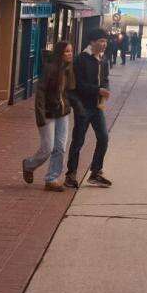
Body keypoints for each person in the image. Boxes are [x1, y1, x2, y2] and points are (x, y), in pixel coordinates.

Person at [22, 41, 76, 190]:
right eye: (66, 51)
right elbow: (40, 93)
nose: (70, 54)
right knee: (47, 147)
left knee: (60, 148)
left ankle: (51, 178)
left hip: (63, 113)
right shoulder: (50, 69)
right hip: (48, 113)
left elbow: (70, 90)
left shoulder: (69, 69)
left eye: (71, 51)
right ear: (60, 53)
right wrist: (40, 115)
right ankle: (29, 164)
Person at [64, 29, 112, 189]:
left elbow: (105, 79)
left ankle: (96, 172)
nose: (104, 44)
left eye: (105, 41)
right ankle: (70, 175)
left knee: (103, 138)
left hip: (97, 107)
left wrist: (105, 89)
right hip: (83, 107)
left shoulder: (103, 60)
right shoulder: (81, 59)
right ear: (92, 42)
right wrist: (97, 90)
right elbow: (78, 85)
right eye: (101, 41)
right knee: (78, 141)